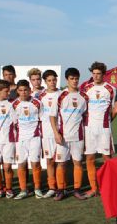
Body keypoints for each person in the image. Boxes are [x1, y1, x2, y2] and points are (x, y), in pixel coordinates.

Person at [50, 68, 89, 201]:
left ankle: (77, 190)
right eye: (72, 78)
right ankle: (60, 190)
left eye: (76, 78)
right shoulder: (60, 96)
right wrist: (56, 133)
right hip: (63, 137)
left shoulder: (84, 97)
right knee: (61, 164)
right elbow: (52, 117)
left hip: (78, 136)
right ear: (67, 79)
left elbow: (86, 117)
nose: (74, 81)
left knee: (78, 162)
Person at [80, 62, 117, 198]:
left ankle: (109, 186)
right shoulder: (86, 88)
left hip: (104, 129)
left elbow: (114, 110)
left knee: (107, 158)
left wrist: (106, 121)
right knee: (89, 158)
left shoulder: (111, 89)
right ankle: (94, 188)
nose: (96, 76)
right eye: (94, 74)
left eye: (98, 74)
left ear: (103, 74)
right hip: (89, 128)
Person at [11, 80, 43, 200]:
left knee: (35, 163)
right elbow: (14, 123)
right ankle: (23, 190)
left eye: (25, 90)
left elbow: (41, 119)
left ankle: (37, 189)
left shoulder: (37, 103)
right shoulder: (14, 104)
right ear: (17, 91)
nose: (23, 92)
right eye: (20, 90)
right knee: (21, 164)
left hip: (35, 137)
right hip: (21, 139)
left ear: (29, 90)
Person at [37, 69, 60, 198]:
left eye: (54, 80)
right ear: (45, 82)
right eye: (49, 80)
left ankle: (62, 186)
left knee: (61, 161)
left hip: (60, 132)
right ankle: (52, 187)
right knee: (50, 160)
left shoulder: (62, 94)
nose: (52, 82)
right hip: (46, 133)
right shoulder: (40, 96)